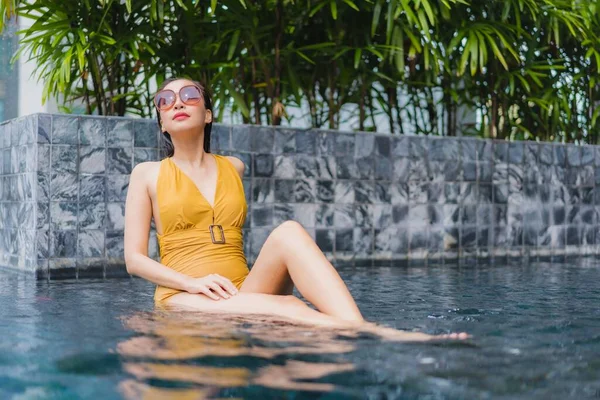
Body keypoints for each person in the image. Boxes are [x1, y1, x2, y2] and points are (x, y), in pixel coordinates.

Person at [124, 77, 468, 340]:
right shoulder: (147, 174)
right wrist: (193, 283)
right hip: (184, 295)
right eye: (165, 101)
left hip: (243, 289)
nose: (176, 103)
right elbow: (134, 260)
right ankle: (380, 333)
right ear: (162, 124)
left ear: (208, 114)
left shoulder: (234, 167)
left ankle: (356, 327)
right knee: (289, 305)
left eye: (189, 96)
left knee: (288, 231)